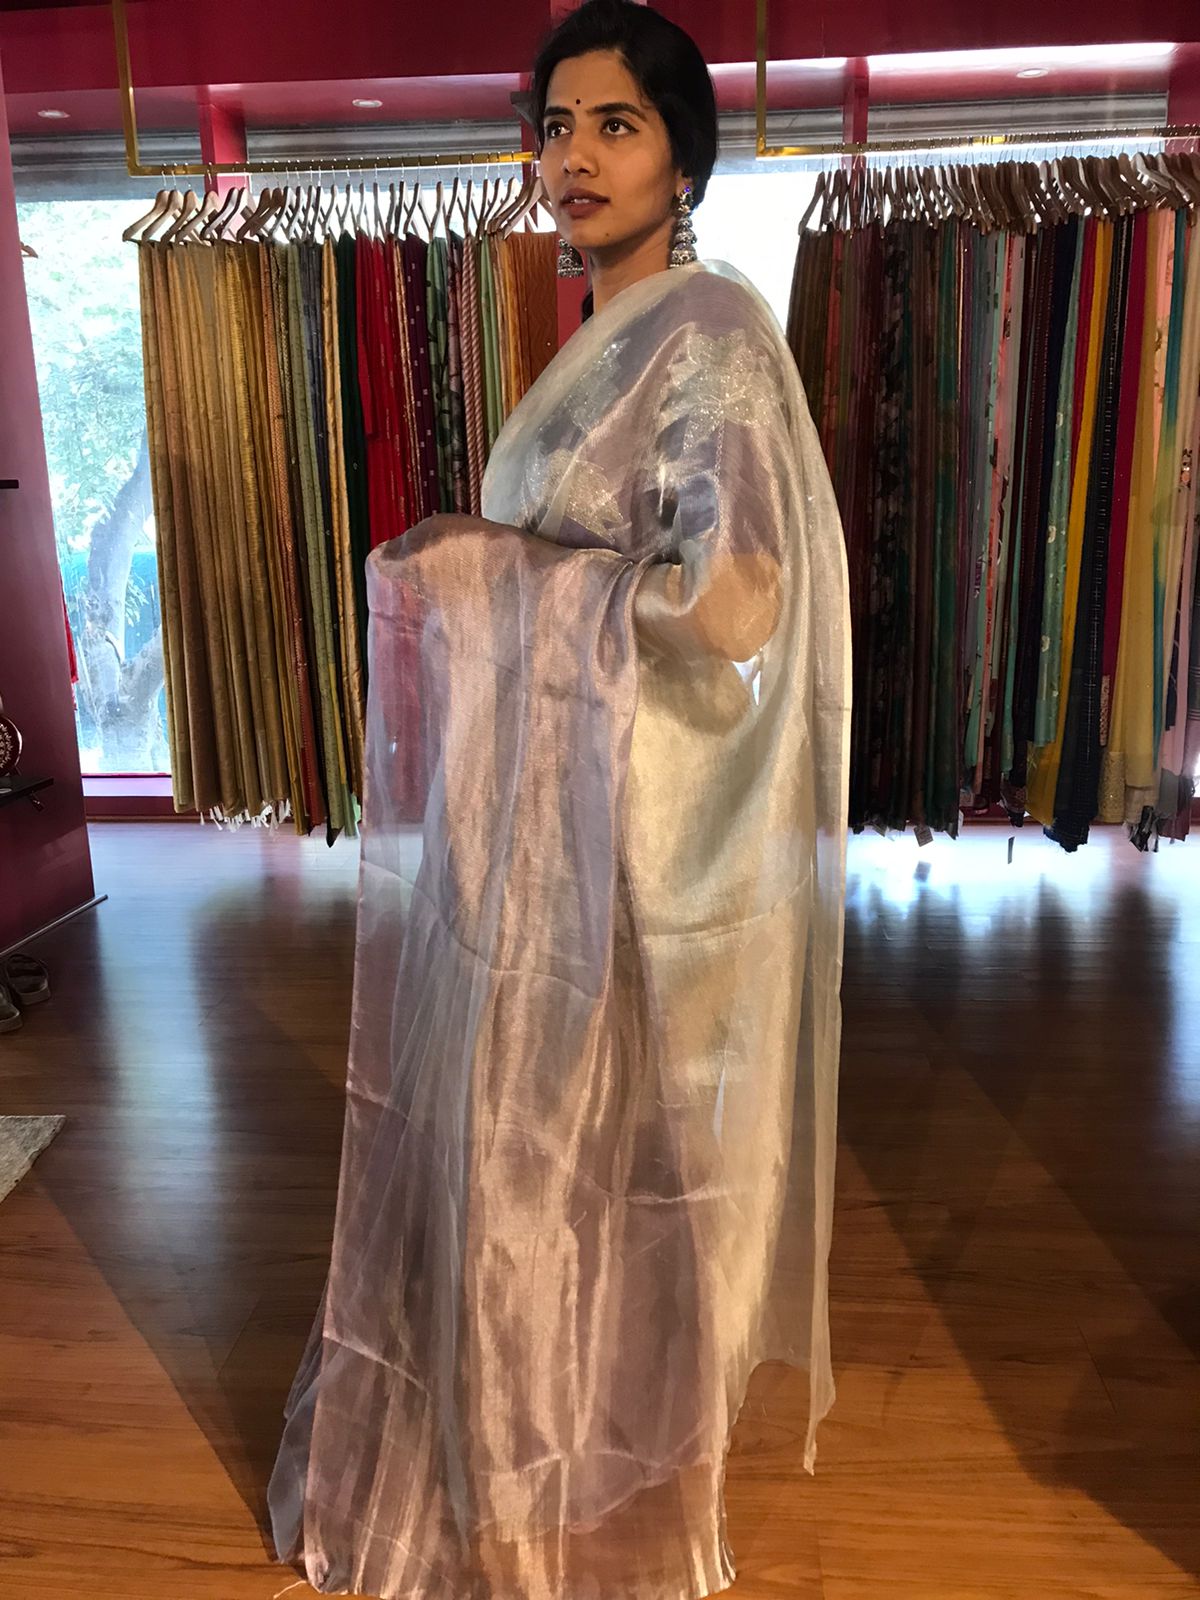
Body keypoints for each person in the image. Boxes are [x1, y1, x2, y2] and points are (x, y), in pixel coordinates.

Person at [267, 3, 851, 1596]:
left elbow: (735, 598)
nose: (574, 156)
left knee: (570, 1164)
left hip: (625, 839)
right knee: (532, 1160)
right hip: (537, 821)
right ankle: (535, 1440)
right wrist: (514, 584)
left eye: (617, 124)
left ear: (684, 158)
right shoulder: (617, 329)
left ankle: (564, 1465)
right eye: (556, 126)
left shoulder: (707, 334)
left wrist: (505, 579)